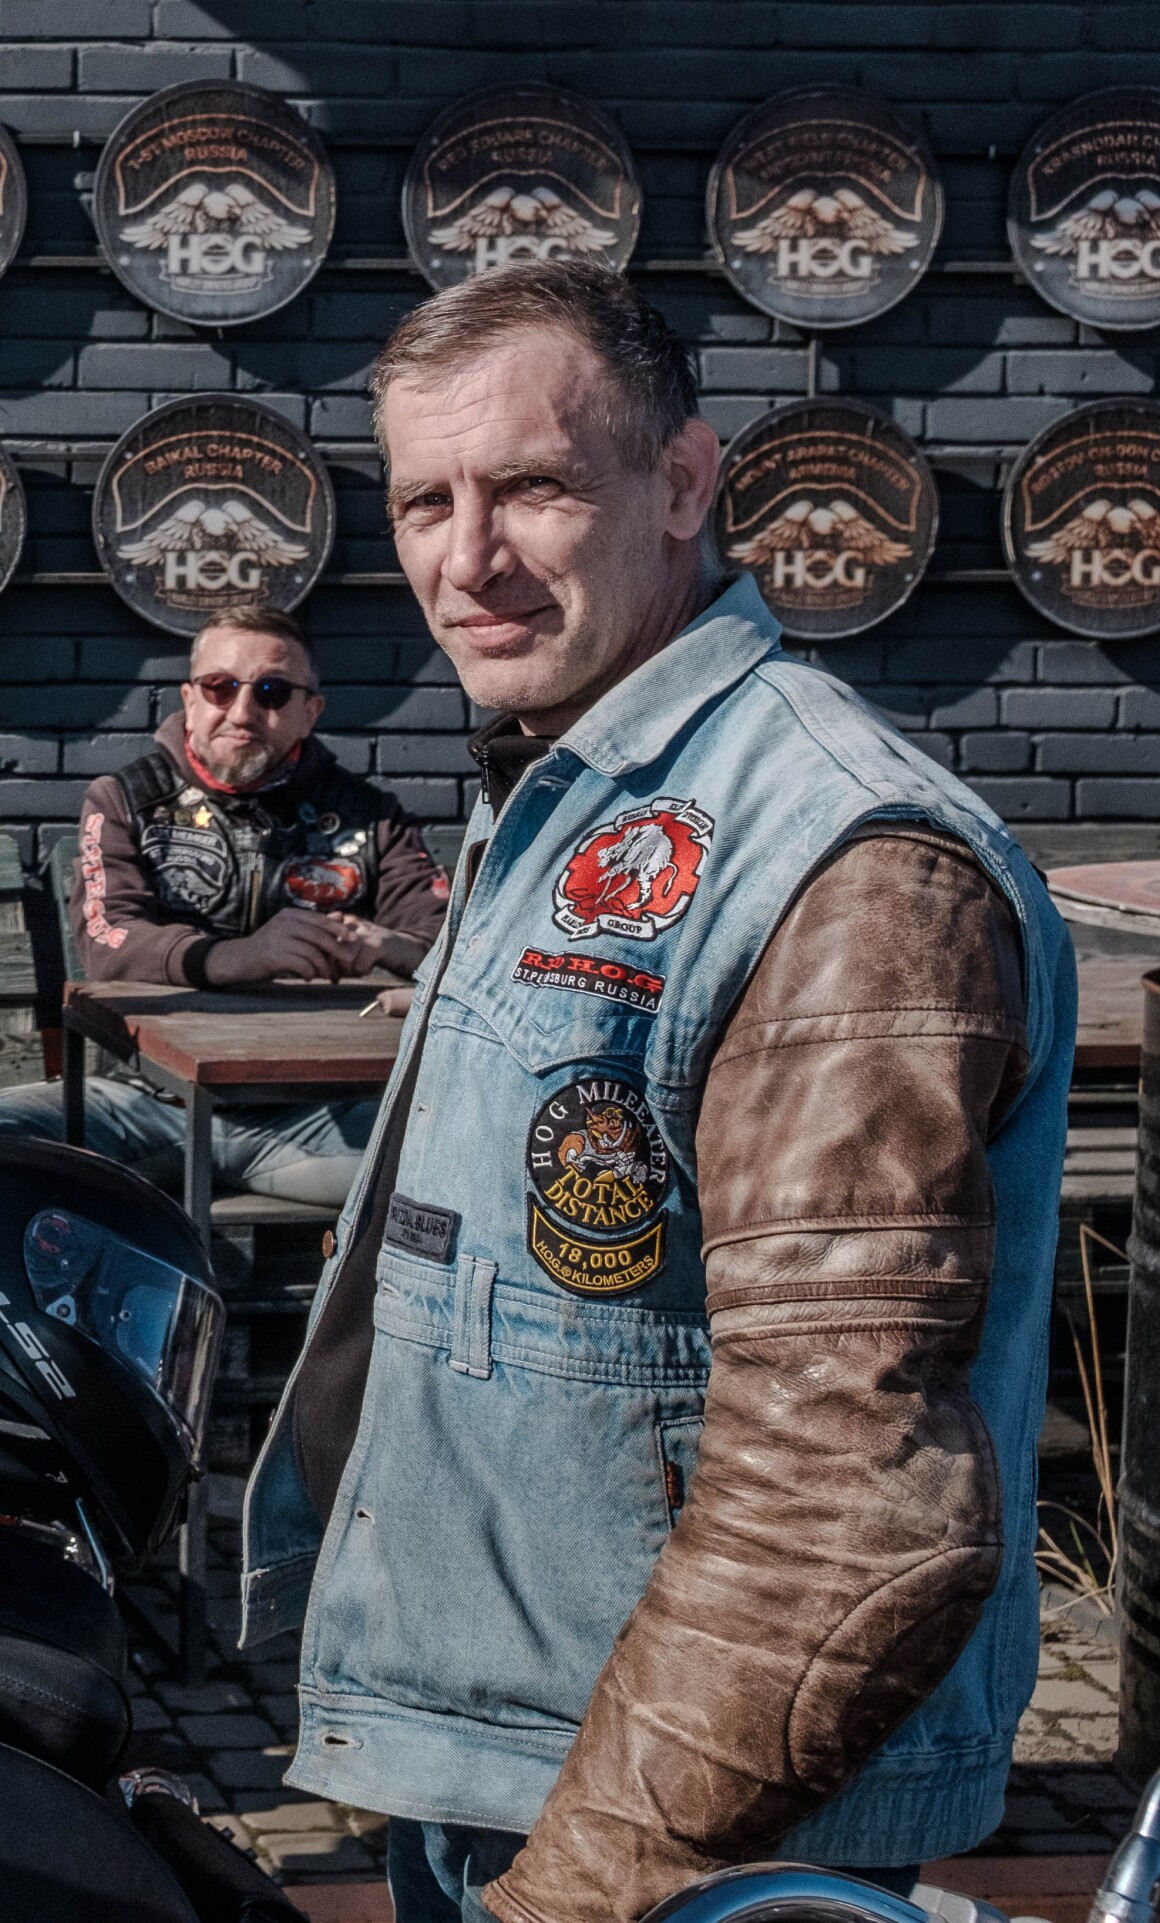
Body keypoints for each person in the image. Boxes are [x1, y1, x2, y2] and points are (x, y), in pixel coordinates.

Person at [241, 264, 1076, 1921]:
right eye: (425, 501)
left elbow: (848, 1506)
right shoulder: (581, 783)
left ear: (686, 482)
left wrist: (572, 1891)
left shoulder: (840, 858)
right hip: (517, 1755)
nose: (467, 558)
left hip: (664, 1829)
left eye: (533, 486)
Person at [0, 607, 447, 1207]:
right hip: (142, 1103)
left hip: (315, 1116)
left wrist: (386, 946)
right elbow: (108, 940)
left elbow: (451, 944)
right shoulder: (125, 800)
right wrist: (241, 956)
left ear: (310, 711)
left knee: (478, 1157)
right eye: (219, 687)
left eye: (272, 692)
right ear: (189, 700)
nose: (241, 712)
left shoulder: (372, 816)